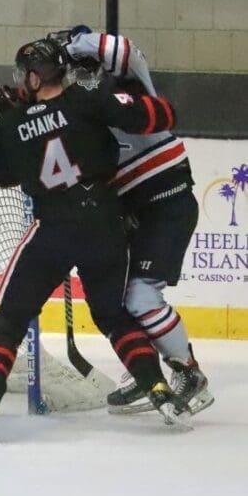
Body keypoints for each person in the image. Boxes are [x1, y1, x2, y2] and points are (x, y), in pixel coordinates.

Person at [0, 39, 189, 441]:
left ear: (32, 76)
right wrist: (148, 102)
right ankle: (161, 391)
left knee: (8, 321)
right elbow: (159, 117)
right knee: (114, 317)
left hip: (53, 232)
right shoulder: (88, 101)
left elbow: (2, 176)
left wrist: (8, 119)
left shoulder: (12, 123)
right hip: (105, 226)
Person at [49, 25, 212, 415]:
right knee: (118, 301)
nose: (81, 72)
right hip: (138, 213)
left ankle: (191, 376)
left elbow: (125, 50)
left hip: (169, 203)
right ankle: (147, 372)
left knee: (141, 298)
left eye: (85, 63)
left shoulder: (129, 83)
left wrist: (71, 42)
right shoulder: (77, 111)